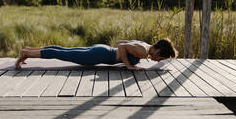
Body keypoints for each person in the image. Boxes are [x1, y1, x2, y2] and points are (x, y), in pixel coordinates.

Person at [15, 38, 178, 70]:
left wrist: (127, 58)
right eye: (160, 57)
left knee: (65, 50)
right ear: (157, 50)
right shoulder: (143, 51)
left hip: (102, 49)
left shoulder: (144, 45)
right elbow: (123, 47)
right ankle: (27, 54)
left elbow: (120, 43)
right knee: (63, 54)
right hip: (99, 56)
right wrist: (129, 65)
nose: (157, 60)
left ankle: (29, 50)